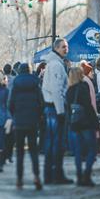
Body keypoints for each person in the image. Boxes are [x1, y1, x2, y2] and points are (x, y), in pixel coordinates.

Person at [41, 38, 72, 185]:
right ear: (56, 49)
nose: (66, 49)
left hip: (52, 108)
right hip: (54, 109)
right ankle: (54, 174)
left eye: (67, 47)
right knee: (56, 143)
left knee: (53, 142)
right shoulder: (56, 65)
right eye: (63, 47)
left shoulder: (54, 64)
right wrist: (60, 112)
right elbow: (56, 90)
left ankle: (51, 174)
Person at [9, 63, 44, 190]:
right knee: (33, 151)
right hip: (32, 122)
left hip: (19, 122)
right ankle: (36, 176)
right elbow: (41, 102)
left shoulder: (16, 84)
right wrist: (38, 116)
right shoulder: (36, 83)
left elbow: (10, 104)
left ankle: (19, 179)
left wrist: (15, 115)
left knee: (19, 153)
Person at [66, 67, 99, 186]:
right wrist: (95, 122)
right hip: (86, 123)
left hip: (75, 124)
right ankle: (87, 174)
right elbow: (88, 106)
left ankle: (79, 176)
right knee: (92, 150)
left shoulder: (69, 90)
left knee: (78, 152)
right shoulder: (83, 87)